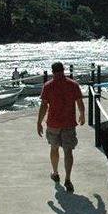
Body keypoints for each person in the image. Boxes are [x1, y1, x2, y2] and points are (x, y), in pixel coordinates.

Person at [37, 61, 85, 193]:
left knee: (54, 148)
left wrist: (39, 122)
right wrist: (82, 115)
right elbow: (79, 101)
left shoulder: (48, 86)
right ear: (63, 70)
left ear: (52, 71)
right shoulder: (73, 84)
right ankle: (68, 179)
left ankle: (55, 172)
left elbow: (44, 105)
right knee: (68, 151)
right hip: (69, 123)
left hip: (53, 123)